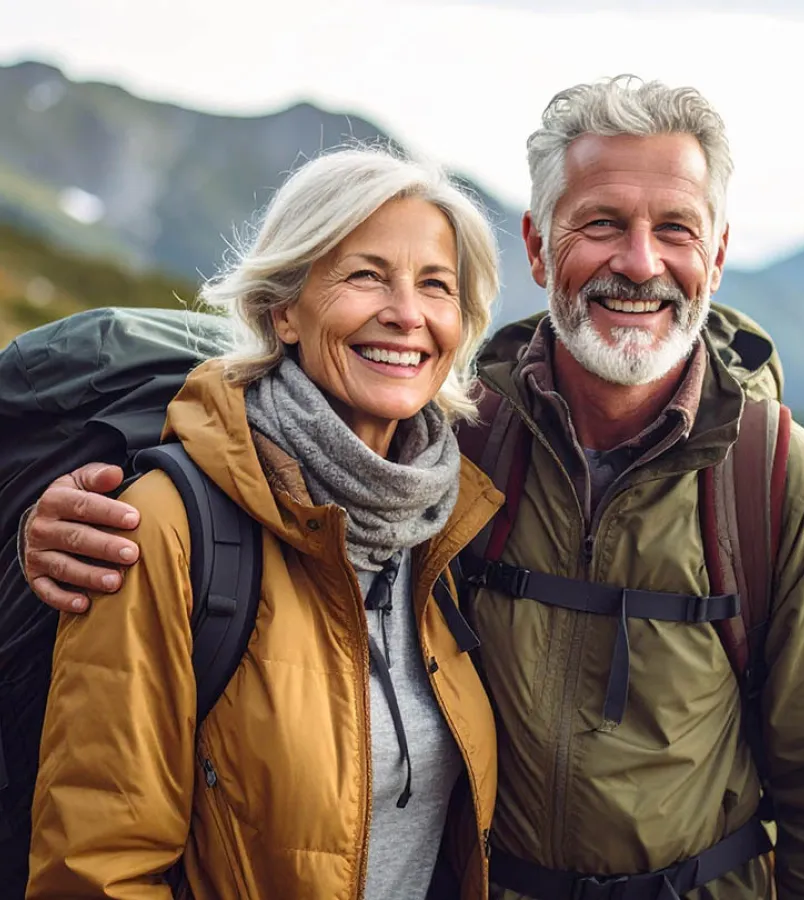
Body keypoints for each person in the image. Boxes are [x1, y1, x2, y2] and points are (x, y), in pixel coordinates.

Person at [22, 77, 804, 898]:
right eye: (601, 223)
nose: (640, 262)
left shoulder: (769, 481)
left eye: (676, 228)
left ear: (717, 253)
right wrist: (74, 516)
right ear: (538, 247)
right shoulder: (464, 448)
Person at [21, 147, 505, 899]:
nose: (407, 313)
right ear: (284, 309)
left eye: (435, 285)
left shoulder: (443, 526)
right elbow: (97, 870)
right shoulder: (164, 527)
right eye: (366, 275)